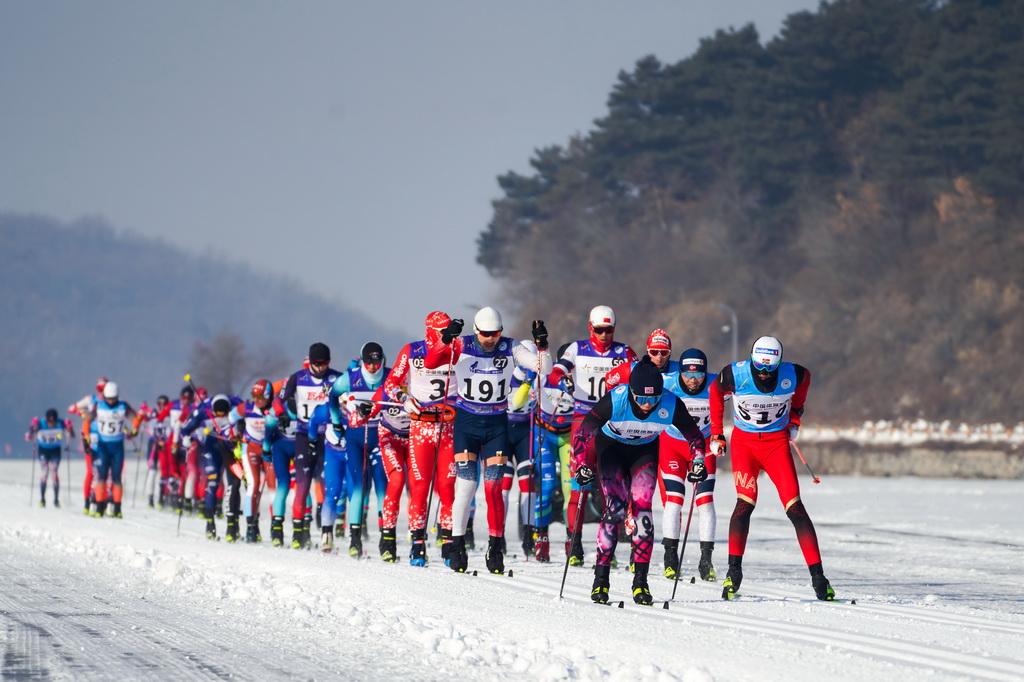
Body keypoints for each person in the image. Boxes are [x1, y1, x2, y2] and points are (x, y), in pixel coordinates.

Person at [571, 357, 706, 605]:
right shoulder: (616, 399)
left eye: (653, 399)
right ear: (631, 392)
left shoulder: (670, 403)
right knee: (615, 509)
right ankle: (600, 581)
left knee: (643, 509)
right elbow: (582, 433)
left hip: (644, 450)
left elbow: (695, 436)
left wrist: (698, 462)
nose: (647, 405)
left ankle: (641, 583)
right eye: (641, 398)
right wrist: (581, 465)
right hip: (611, 447)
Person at [426, 307, 551, 574]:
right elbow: (430, 362)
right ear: (476, 331)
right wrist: (446, 339)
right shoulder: (462, 344)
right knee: (466, 487)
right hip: (467, 424)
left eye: (495, 333)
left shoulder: (510, 347)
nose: (490, 339)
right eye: (485, 334)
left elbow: (545, 368)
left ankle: (495, 548)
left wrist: (542, 345)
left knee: (494, 489)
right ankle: (457, 545)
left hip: (496, 426)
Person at [709, 335, 835, 601]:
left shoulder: (794, 374)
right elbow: (715, 392)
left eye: (770, 367)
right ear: (751, 360)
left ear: (779, 363)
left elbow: (806, 381)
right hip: (744, 445)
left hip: (776, 444)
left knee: (796, 509)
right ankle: (733, 572)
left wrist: (795, 417)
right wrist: (717, 433)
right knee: (744, 504)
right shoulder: (734, 374)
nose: (764, 373)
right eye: (759, 366)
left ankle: (819, 578)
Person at [546, 305, 638, 566]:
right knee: (580, 488)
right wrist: (562, 378)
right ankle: (574, 545)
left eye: (609, 330)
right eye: (599, 330)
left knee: (614, 489)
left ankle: (611, 546)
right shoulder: (577, 349)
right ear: (590, 327)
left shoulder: (624, 352)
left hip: (613, 422)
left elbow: (642, 377)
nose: (604, 335)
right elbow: (555, 373)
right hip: (584, 422)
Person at [381, 312, 460, 565]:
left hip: (449, 427)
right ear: (430, 331)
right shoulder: (411, 350)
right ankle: (417, 544)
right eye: (442, 332)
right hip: (421, 428)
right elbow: (390, 383)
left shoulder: (458, 349)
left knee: (447, 488)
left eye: (449, 331)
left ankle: (449, 544)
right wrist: (404, 399)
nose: (447, 336)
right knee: (419, 488)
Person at [508, 341, 575, 562]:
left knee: (570, 490)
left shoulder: (581, 380)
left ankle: (572, 542)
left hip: (568, 436)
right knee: (546, 488)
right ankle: (541, 541)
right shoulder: (544, 375)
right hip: (545, 434)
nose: (570, 371)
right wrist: (528, 382)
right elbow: (517, 403)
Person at [275, 342, 343, 548]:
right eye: (316, 363)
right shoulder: (298, 377)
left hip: (328, 438)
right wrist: (281, 414)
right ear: (310, 362)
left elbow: (350, 399)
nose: (320, 368)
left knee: (326, 485)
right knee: (303, 485)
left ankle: (325, 531)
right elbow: (278, 400)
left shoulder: (337, 378)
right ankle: (299, 533)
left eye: (324, 363)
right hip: (304, 436)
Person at [660, 347, 719, 581]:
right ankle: (670, 559)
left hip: (703, 448)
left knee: (705, 501)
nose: (693, 380)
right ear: (680, 372)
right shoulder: (667, 383)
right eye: (687, 374)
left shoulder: (716, 384)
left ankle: (706, 560)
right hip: (672, 446)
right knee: (674, 501)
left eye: (698, 375)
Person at [327, 342, 390, 557]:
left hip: (381, 437)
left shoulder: (390, 375)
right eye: (369, 362)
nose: (373, 367)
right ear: (362, 361)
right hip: (356, 437)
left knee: (382, 485)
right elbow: (332, 396)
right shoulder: (350, 378)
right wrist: (337, 422)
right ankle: (354, 539)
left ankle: (386, 539)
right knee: (357, 487)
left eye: (377, 362)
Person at [181, 391, 243, 540]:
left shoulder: (237, 405)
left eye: (224, 414)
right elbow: (186, 429)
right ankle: (210, 523)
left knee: (233, 484)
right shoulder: (203, 409)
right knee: (213, 481)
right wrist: (186, 438)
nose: (220, 417)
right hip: (211, 448)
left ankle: (233, 525)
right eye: (217, 414)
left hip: (230, 448)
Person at [229, 379, 277, 542]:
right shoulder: (247, 407)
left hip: (270, 450)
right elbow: (231, 417)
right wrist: (235, 433)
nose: (256, 400)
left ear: (268, 396)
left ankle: (276, 527)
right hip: (250, 448)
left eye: (260, 397)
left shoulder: (275, 408)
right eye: (254, 396)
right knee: (253, 486)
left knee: (273, 487)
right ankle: (251, 527)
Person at [87, 381, 139, 518]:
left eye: (113, 399)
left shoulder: (123, 406)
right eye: (108, 399)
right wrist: (86, 435)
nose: (110, 401)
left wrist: (135, 429)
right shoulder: (98, 406)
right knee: (101, 477)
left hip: (117, 447)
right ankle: (99, 508)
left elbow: (135, 418)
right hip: (102, 446)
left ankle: (117, 509)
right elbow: (87, 420)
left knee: (117, 478)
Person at [67, 377, 107, 513]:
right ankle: (86, 502)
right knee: (91, 472)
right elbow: (71, 408)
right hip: (90, 437)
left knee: (105, 472)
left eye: (105, 389)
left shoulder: (112, 402)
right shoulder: (90, 399)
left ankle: (103, 500)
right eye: (100, 389)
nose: (102, 392)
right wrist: (82, 412)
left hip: (105, 438)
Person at [26, 409, 75, 507]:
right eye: (49, 422)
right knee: (44, 473)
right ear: (46, 419)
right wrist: (32, 427)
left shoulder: (61, 423)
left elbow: (72, 436)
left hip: (55, 451)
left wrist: (70, 427)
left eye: (54, 422)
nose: (51, 424)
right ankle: (42, 499)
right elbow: (28, 437)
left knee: (54, 473)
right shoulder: (40, 424)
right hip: (43, 450)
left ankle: (56, 499)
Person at [137, 395, 171, 508]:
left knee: (164, 471)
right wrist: (142, 411)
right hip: (153, 444)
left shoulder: (170, 415)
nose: (161, 406)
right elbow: (140, 419)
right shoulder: (152, 414)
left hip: (165, 444)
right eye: (159, 404)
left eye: (164, 404)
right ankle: (150, 499)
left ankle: (161, 497)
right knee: (152, 470)